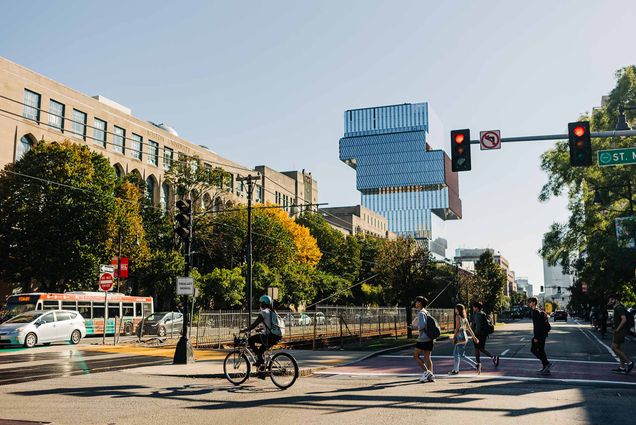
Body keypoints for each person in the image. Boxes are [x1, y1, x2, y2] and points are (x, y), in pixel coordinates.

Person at [243, 295, 283, 369]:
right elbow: (270, 325)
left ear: (263, 303)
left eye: (261, 303)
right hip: (276, 336)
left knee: (250, 340)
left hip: (269, 337)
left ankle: (260, 360)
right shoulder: (272, 311)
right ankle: (261, 371)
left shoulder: (264, 312)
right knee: (261, 350)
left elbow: (255, 323)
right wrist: (260, 329)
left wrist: (247, 329)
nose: (260, 304)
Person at [409, 296, 435, 383]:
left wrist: (414, 327)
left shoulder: (421, 313)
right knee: (428, 357)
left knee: (415, 355)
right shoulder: (426, 312)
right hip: (429, 338)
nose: (415, 303)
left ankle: (427, 373)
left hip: (423, 339)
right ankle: (431, 376)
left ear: (419, 303)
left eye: (416, 302)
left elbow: (422, 326)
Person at [448, 303, 479, 375]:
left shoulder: (457, 316)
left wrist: (454, 337)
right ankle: (455, 370)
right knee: (455, 354)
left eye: (456, 308)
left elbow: (457, 327)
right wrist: (474, 337)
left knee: (461, 355)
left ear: (458, 309)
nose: (455, 309)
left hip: (460, 336)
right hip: (464, 336)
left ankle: (476, 365)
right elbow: (469, 329)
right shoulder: (465, 318)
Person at [607, 294, 634, 374]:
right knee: (619, 348)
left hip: (620, 330)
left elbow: (624, 319)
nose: (609, 301)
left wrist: (617, 329)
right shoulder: (616, 308)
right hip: (620, 330)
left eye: (610, 300)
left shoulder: (619, 308)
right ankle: (622, 367)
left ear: (615, 300)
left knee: (614, 347)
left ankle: (629, 363)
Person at [470, 301, 499, 374]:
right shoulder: (482, 313)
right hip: (483, 334)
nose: (473, 308)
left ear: (476, 308)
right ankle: (478, 364)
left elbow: (478, 327)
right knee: (477, 350)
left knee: (480, 349)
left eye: (473, 307)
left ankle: (493, 358)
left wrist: (474, 335)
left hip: (478, 335)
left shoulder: (478, 315)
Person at [528, 297, 552, 375]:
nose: (529, 303)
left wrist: (536, 337)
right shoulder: (539, 310)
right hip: (543, 334)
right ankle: (546, 367)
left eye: (530, 302)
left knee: (534, 350)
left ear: (534, 302)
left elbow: (537, 326)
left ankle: (546, 363)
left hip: (540, 335)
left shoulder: (535, 312)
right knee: (541, 350)